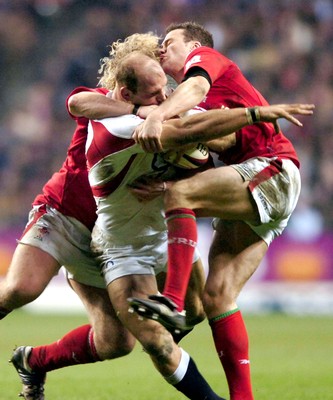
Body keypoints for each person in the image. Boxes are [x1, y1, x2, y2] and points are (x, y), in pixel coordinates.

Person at [127, 22, 315, 400]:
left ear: (193, 46)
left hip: (271, 167)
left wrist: (157, 116)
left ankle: (174, 301)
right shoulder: (201, 101)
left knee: (180, 195)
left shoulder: (206, 64)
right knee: (217, 296)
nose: (162, 50)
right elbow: (225, 139)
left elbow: (196, 90)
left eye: (170, 43)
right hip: (259, 182)